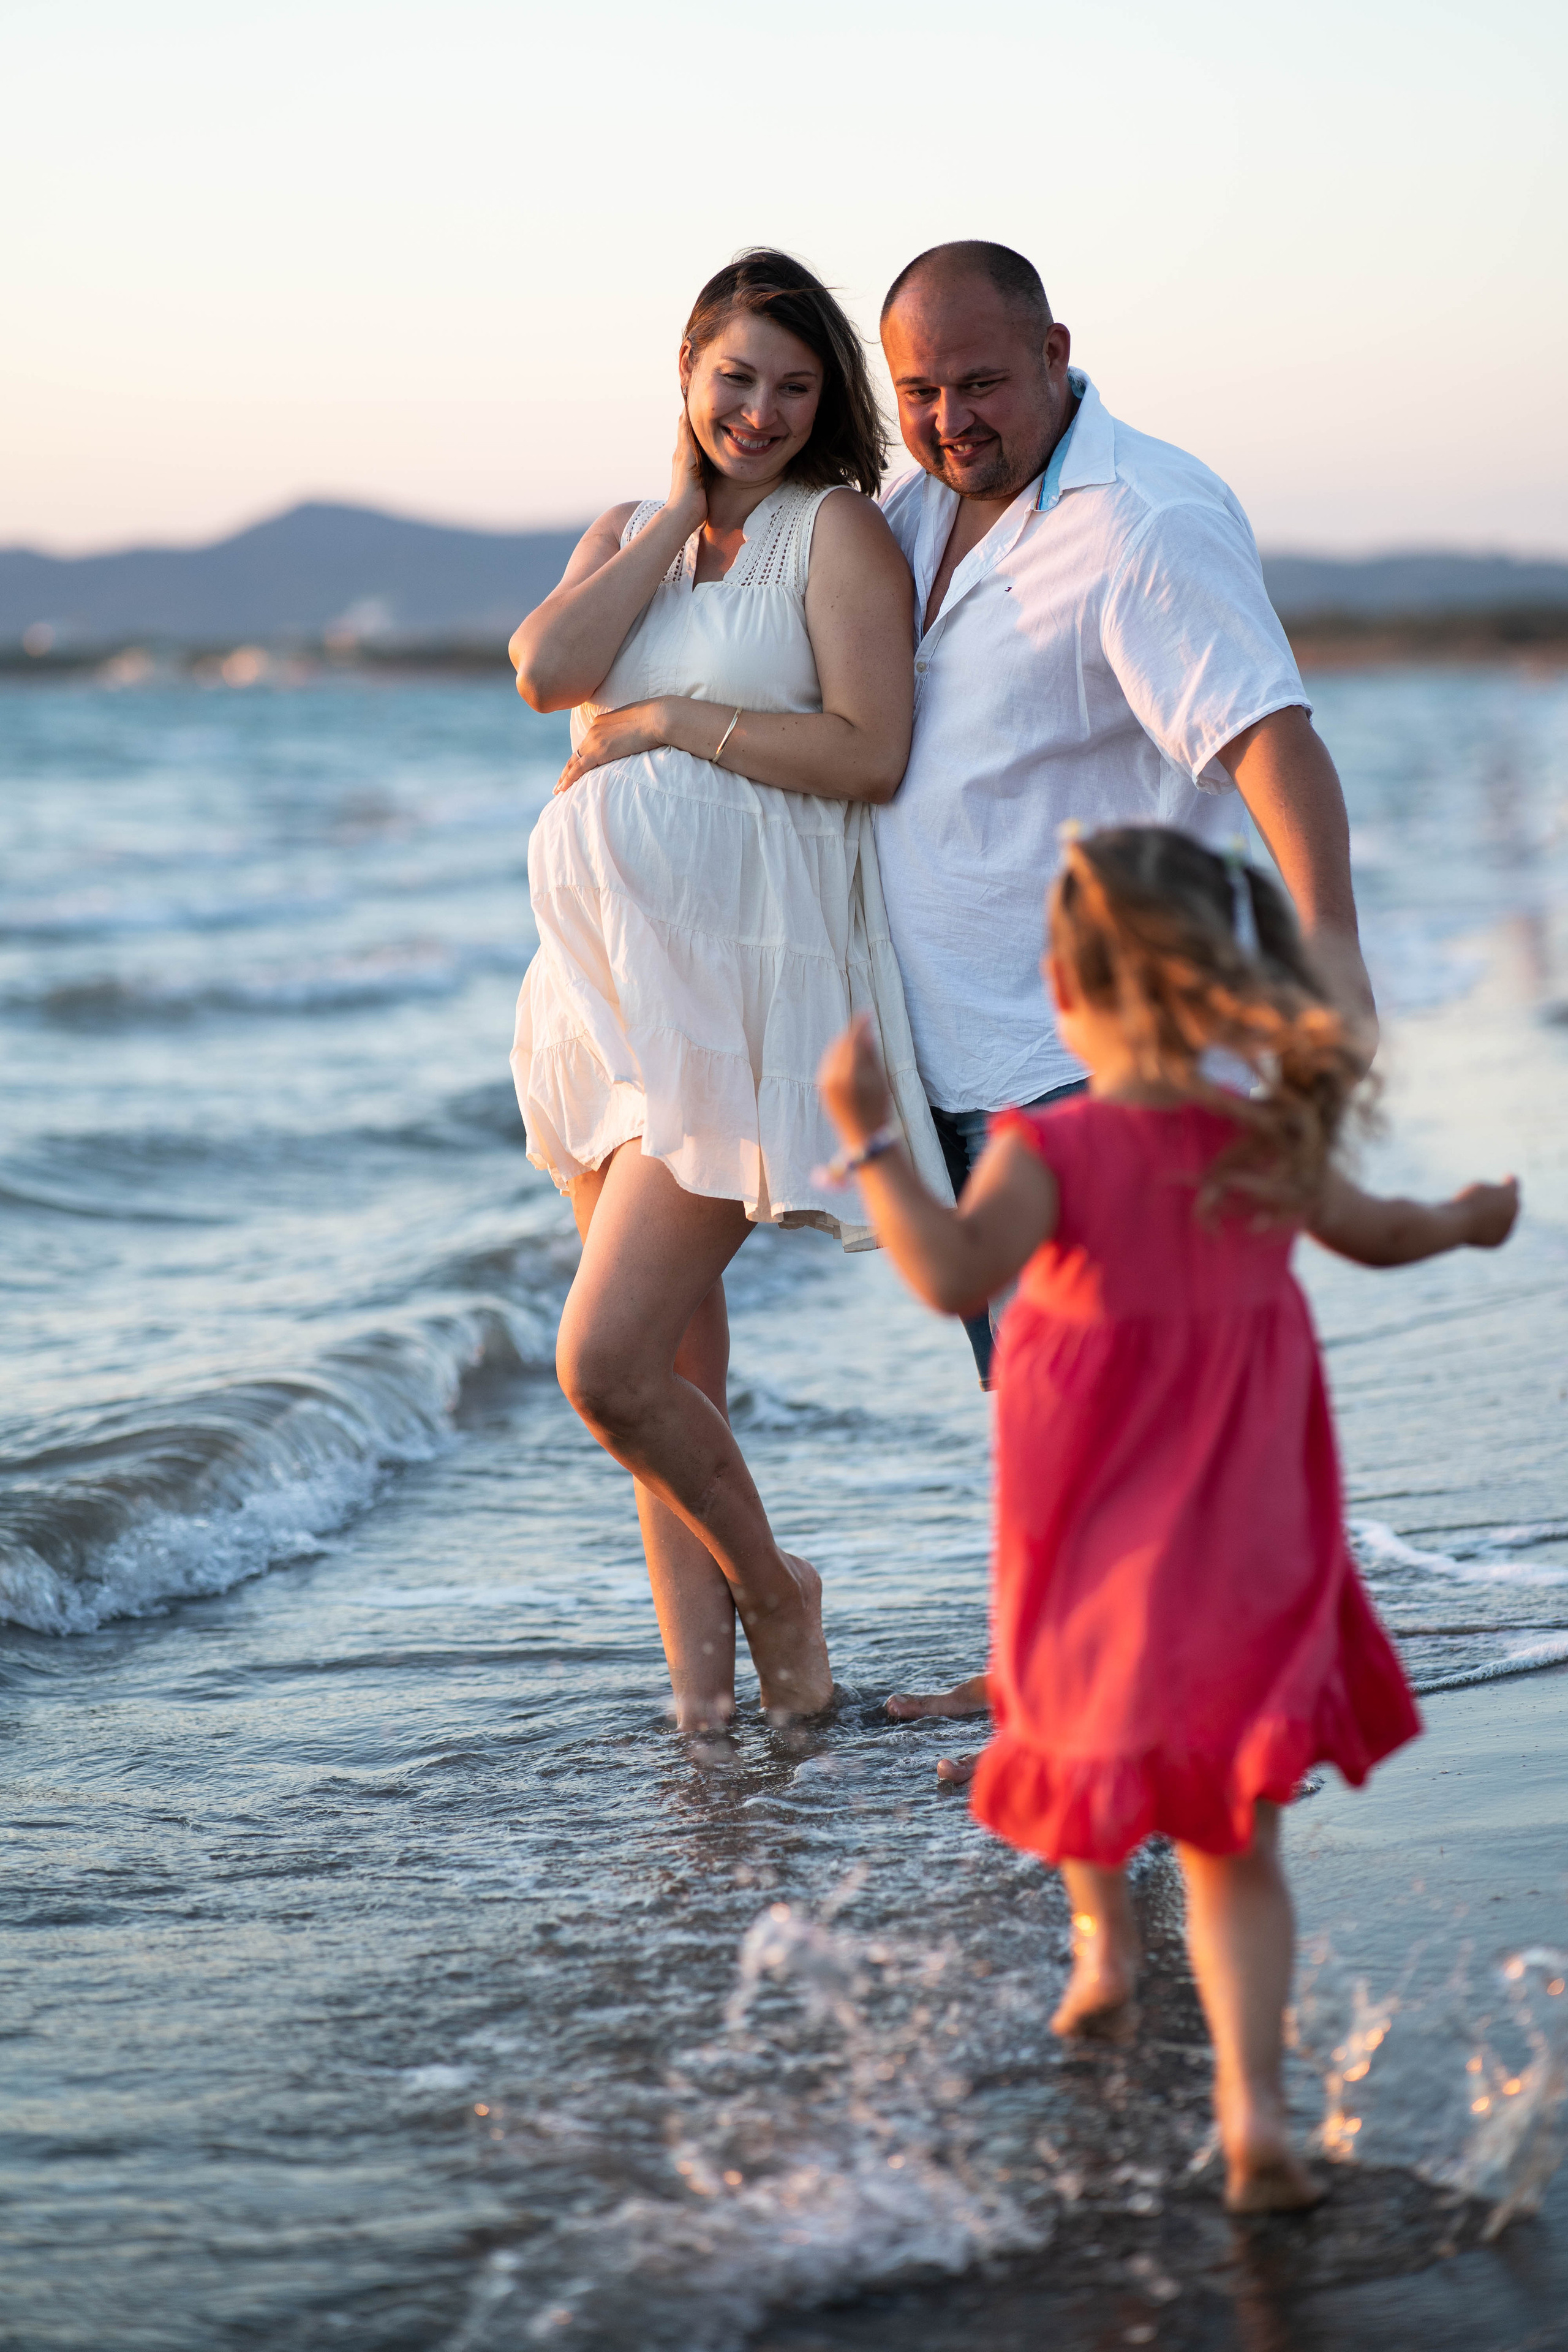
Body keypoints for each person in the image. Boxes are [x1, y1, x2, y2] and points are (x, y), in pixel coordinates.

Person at [818, 823, 1518, 2212]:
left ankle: (1104, 1951)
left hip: (1089, 1530)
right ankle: (1255, 2123)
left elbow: (948, 1271)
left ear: (1064, 992)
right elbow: (1378, 1231)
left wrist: (872, 1141)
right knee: (1234, 1837)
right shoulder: (1260, 1139)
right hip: (1251, 1535)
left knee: (1070, 1722)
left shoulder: (1048, 1146)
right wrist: (1465, 1218)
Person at [871, 236, 1376, 1749]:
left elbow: (1267, 736)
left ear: (1053, 353)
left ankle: (1149, 1717)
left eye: (977, 383)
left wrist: (1329, 957)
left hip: (1088, 1054)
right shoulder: (912, 512)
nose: (949, 419)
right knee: (1042, 1405)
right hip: (955, 1054)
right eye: (917, 392)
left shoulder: (1141, 517)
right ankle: (1065, 1673)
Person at [508, 250, 949, 1736]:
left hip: (744, 993)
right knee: (674, 1365)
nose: (759, 411)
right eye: (734, 379)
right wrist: (665, 520)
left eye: (793, 387)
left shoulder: (835, 532)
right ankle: (706, 1725)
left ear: (826, 402)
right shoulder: (629, 531)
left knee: (606, 1363)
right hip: (603, 995)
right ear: (687, 376)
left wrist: (662, 720)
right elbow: (542, 671)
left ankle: (776, 1593)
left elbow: (868, 753)